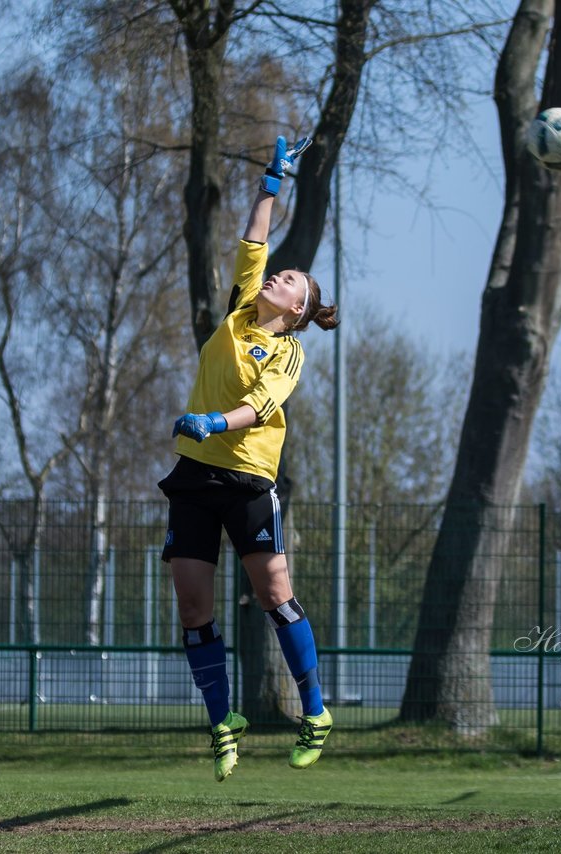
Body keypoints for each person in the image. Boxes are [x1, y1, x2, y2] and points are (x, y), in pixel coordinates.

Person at [159, 134, 339, 782]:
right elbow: (254, 239)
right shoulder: (240, 310)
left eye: (290, 280)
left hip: (247, 477)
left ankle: (315, 710)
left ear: (297, 310)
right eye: (280, 272)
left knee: (273, 592)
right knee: (191, 607)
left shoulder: (290, 352)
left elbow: (261, 408)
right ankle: (223, 722)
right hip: (194, 474)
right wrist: (272, 180)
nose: (278, 274)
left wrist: (212, 420)